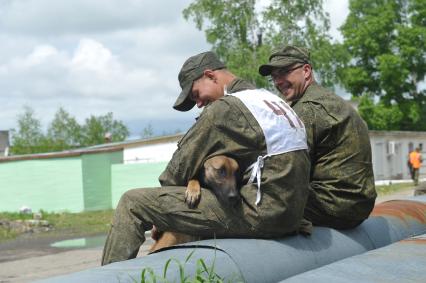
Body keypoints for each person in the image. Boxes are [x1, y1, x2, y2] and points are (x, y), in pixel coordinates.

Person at [101, 51, 310, 265]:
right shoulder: (269, 100)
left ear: (210, 75)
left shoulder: (225, 109)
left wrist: (161, 217)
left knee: (133, 203)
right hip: (293, 215)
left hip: (262, 215)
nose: (199, 104)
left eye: (195, 94)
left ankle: (106, 279)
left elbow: (175, 173)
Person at [258, 45, 377, 229]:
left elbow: (285, 169)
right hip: (358, 204)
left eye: (284, 72)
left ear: (306, 71)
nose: (278, 81)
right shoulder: (329, 100)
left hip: (332, 207)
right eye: (274, 76)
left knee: (251, 200)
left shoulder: (307, 109)